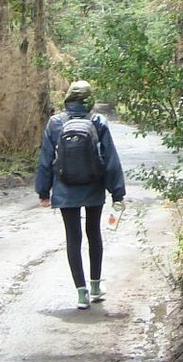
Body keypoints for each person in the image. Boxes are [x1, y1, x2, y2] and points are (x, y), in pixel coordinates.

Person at [35, 80, 126, 309]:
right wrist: (117, 193)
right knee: (93, 233)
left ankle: (81, 293)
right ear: (89, 101)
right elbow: (110, 159)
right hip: (93, 186)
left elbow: (46, 160)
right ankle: (96, 286)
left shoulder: (55, 123)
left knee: (73, 238)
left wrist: (43, 191)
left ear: (67, 98)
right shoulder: (97, 122)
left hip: (65, 189)